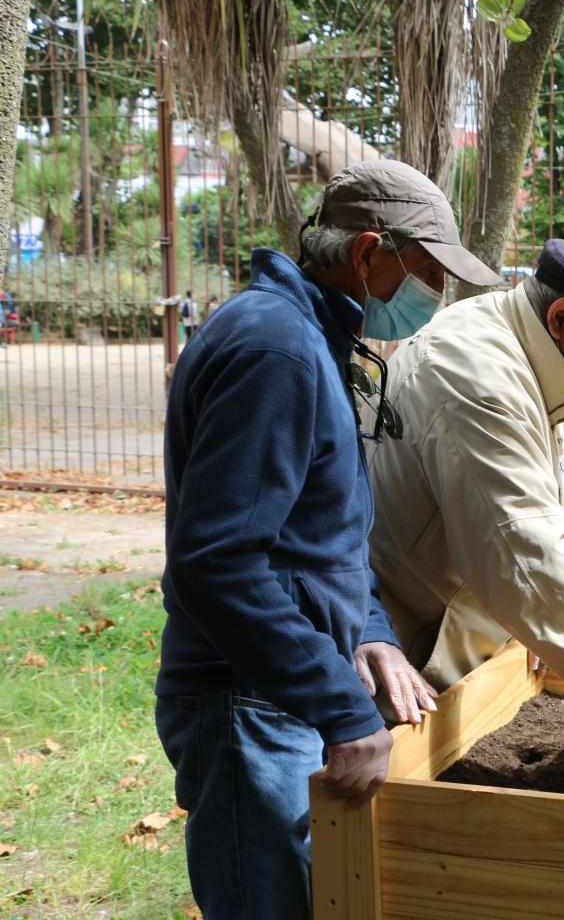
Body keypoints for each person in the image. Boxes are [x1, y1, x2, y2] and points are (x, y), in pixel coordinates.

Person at [155, 158, 501, 919]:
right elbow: (220, 564)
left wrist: (370, 630)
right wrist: (341, 709)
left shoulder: (312, 337)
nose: (436, 298)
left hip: (275, 694)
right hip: (249, 701)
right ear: (368, 252)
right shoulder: (274, 351)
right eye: (428, 274)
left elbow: (320, 535)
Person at [365, 238, 564, 737]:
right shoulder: (480, 374)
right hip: (400, 639)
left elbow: (547, 498)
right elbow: (527, 548)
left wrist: (542, 625)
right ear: (563, 316)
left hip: (445, 619)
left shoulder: (528, 350)